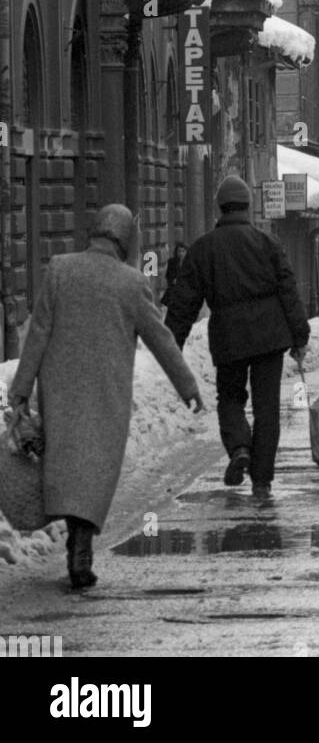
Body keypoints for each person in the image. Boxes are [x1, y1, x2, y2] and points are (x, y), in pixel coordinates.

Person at [8, 204, 203, 591]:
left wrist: (21, 391)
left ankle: (77, 545)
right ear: (126, 240)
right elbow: (160, 339)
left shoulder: (60, 269)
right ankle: (81, 549)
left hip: (60, 393)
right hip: (106, 397)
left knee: (68, 469)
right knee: (93, 475)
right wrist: (188, 387)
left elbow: (38, 335)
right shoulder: (131, 283)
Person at [164, 175, 310, 499]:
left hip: (229, 336)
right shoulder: (267, 243)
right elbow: (288, 289)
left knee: (230, 398)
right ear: (247, 206)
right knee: (266, 407)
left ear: (220, 207)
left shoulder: (203, 249)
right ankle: (262, 479)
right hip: (269, 336)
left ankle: (239, 447)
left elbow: (185, 301)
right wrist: (299, 335)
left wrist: (172, 343)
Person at [159, 242, 187, 309]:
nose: (181, 253)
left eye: (183, 251)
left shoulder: (189, 262)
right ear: (176, 252)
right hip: (174, 290)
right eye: (179, 251)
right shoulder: (172, 262)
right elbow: (168, 276)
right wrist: (173, 280)